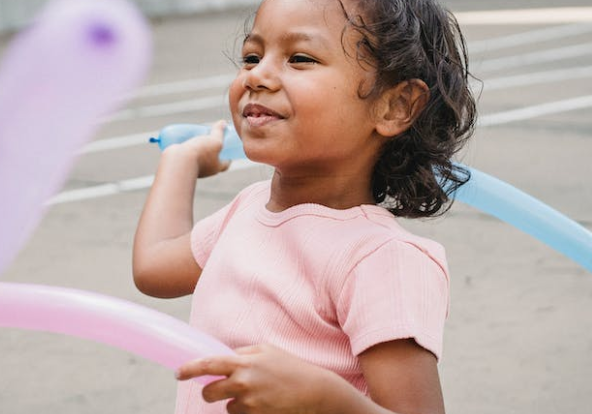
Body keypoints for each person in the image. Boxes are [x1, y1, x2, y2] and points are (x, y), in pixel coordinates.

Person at [133, 0, 476, 413]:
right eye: (251, 57)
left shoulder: (380, 259)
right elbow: (154, 267)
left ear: (395, 105)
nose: (257, 75)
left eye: (300, 58)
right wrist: (180, 160)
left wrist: (326, 400)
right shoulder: (247, 211)